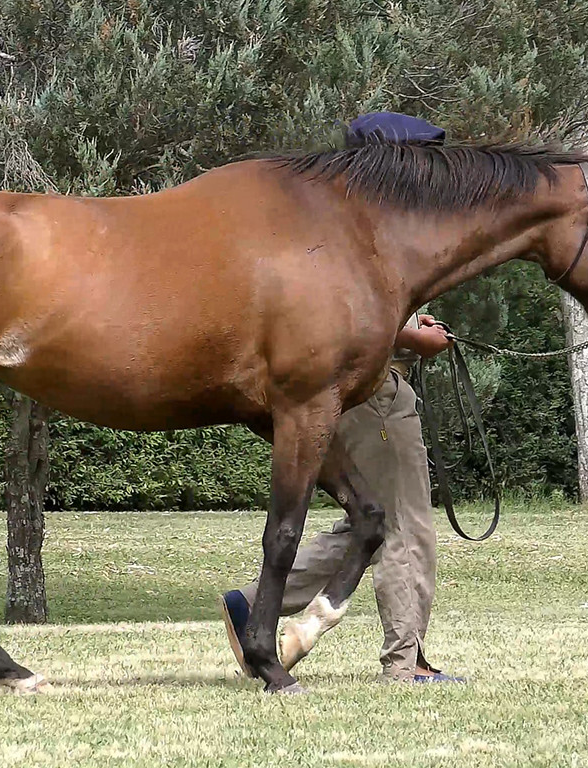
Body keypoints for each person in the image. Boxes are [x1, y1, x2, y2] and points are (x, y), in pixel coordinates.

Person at [219, 113, 464, 684]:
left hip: (364, 391)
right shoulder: (365, 228)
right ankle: (406, 661)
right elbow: (342, 321)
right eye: (421, 157)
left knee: (368, 520)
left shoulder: (346, 224)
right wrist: (413, 338)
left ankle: (251, 603)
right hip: (375, 395)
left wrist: (410, 326)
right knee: (407, 527)